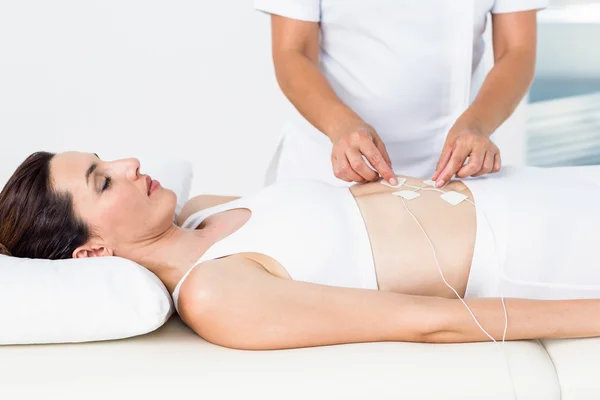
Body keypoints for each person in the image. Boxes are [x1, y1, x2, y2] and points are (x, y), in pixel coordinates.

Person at [1, 151, 600, 350]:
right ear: (91, 252)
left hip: (526, 187)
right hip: (545, 249)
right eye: (104, 181)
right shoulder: (216, 291)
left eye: (107, 159)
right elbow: (430, 322)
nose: (130, 164)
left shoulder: (205, 210)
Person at [255, 0, 547, 188]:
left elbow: (517, 50)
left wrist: (478, 124)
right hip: (328, 165)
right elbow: (292, 53)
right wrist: (339, 125)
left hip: (455, 171)